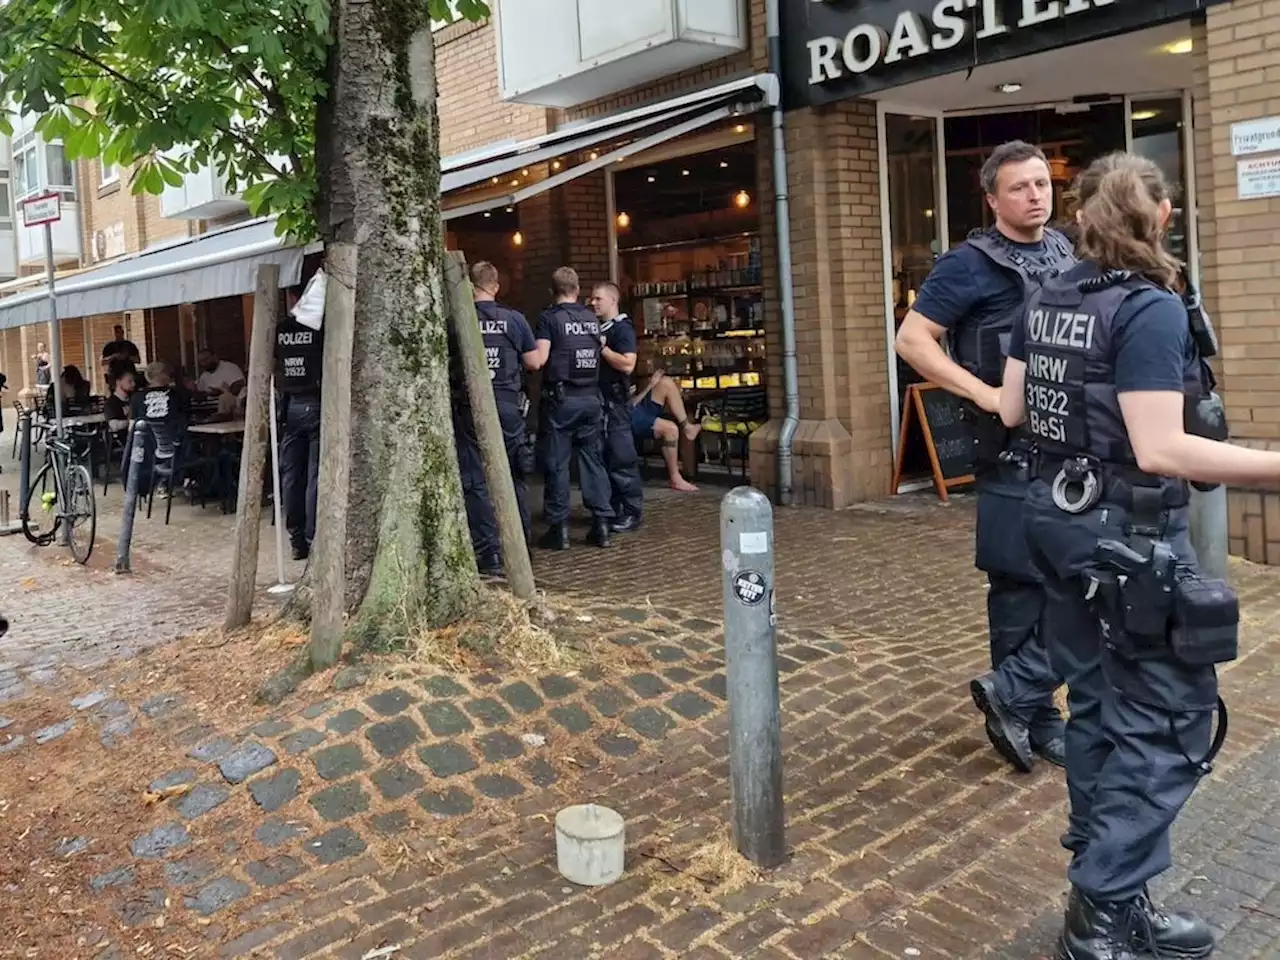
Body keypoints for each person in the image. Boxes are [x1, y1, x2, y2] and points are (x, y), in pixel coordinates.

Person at [999, 151, 1278, 960]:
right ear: (1157, 218)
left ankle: (1115, 903)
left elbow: (1014, 406)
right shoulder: (1149, 308)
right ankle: (1102, 906)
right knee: (1172, 723)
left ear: (1083, 215)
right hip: (1125, 534)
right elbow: (1161, 448)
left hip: (1052, 520)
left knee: (1095, 710)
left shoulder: (1045, 295)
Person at [896, 140, 1073, 774]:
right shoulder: (966, 264)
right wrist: (987, 394)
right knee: (1018, 586)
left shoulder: (1064, 250)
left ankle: (1020, 695)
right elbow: (912, 340)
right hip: (1010, 451)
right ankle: (1033, 717)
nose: (1036, 195)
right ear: (993, 198)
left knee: (1073, 580)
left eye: (1042, 184)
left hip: (1070, 446)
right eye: (1021, 187)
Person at [451, 261, 540, 573]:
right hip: (507, 405)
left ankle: (489, 553)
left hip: (471, 407)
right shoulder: (514, 320)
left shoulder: (458, 320)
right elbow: (533, 362)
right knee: (514, 475)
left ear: (469, 287)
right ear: (496, 286)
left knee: (476, 481)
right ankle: (520, 545)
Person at [534, 266, 614, 550]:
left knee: (557, 464)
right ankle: (601, 525)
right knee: (593, 461)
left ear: (552, 291)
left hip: (561, 400)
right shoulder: (591, 319)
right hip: (591, 399)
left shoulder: (549, 319)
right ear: (577, 290)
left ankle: (559, 529)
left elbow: (540, 358)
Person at [276, 271, 325, 561]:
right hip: (316, 401)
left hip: (290, 405)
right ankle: (313, 534)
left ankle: (296, 539)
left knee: (292, 474)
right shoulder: (321, 327)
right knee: (315, 475)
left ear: (293, 297)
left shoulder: (282, 328)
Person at [589, 282, 644, 531]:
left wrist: (603, 349)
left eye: (598, 299)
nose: (593, 303)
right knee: (606, 456)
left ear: (612, 300)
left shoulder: (622, 330)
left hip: (616, 404)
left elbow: (628, 364)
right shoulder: (602, 328)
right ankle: (615, 508)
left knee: (621, 457)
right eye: (592, 299)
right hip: (602, 402)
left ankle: (632, 511)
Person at [630, 370, 701, 492]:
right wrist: (650, 386)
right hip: (627, 416)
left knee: (667, 383)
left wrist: (651, 385)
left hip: (638, 407)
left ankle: (687, 427)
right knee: (671, 429)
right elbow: (629, 405)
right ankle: (675, 478)